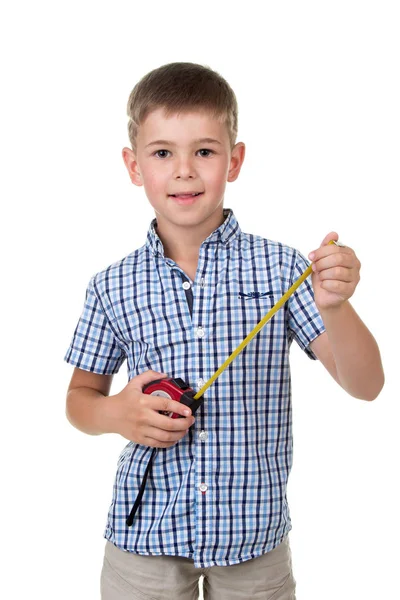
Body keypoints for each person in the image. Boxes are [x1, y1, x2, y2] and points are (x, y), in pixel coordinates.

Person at [64, 62, 384, 600]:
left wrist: (336, 307)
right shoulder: (110, 286)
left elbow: (366, 384)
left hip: (254, 540)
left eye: (205, 152)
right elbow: (79, 399)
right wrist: (114, 412)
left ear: (234, 161)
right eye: (163, 152)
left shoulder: (283, 269)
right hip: (144, 541)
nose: (184, 171)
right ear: (134, 165)